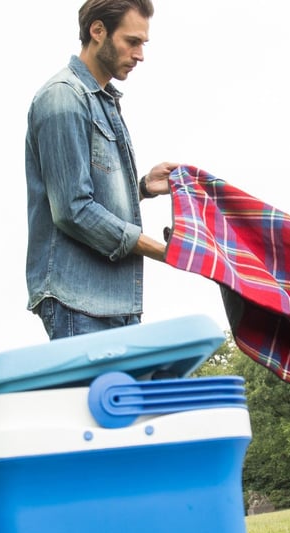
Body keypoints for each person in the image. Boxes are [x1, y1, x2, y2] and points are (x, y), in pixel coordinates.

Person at [25, 0, 177, 340]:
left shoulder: (102, 100)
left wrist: (142, 188)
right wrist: (162, 250)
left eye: (143, 44)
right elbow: (73, 210)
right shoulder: (63, 99)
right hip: (79, 303)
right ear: (98, 31)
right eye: (132, 41)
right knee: (93, 397)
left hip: (115, 304)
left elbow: (89, 194)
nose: (140, 55)